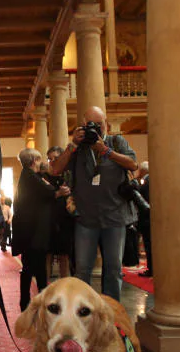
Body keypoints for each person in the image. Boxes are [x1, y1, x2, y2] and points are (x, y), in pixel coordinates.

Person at [49, 106, 138, 299]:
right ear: (83, 125)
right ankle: (83, 316)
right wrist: (72, 145)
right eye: (91, 124)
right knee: (82, 271)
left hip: (115, 217)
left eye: (99, 124)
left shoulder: (116, 141)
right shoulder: (78, 149)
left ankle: (111, 317)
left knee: (113, 271)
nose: (97, 128)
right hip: (86, 219)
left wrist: (106, 151)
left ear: (106, 124)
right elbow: (55, 170)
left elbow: (133, 164)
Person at [12, 148, 64, 310]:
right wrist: (60, 192)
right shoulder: (31, 176)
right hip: (33, 231)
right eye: (40, 159)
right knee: (35, 267)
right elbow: (48, 191)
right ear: (34, 160)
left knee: (32, 267)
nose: (42, 163)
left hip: (31, 230)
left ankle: (29, 301)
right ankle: (39, 301)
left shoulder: (29, 176)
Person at [44, 145, 73, 279]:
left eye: (55, 158)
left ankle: (64, 286)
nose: (52, 162)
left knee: (64, 255)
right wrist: (58, 193)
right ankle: (45, 288)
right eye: (50, 159)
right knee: (47, 255)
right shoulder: (44, 177)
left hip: (66, 221)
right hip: (48, 221)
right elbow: (40, 198)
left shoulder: (69, 176)